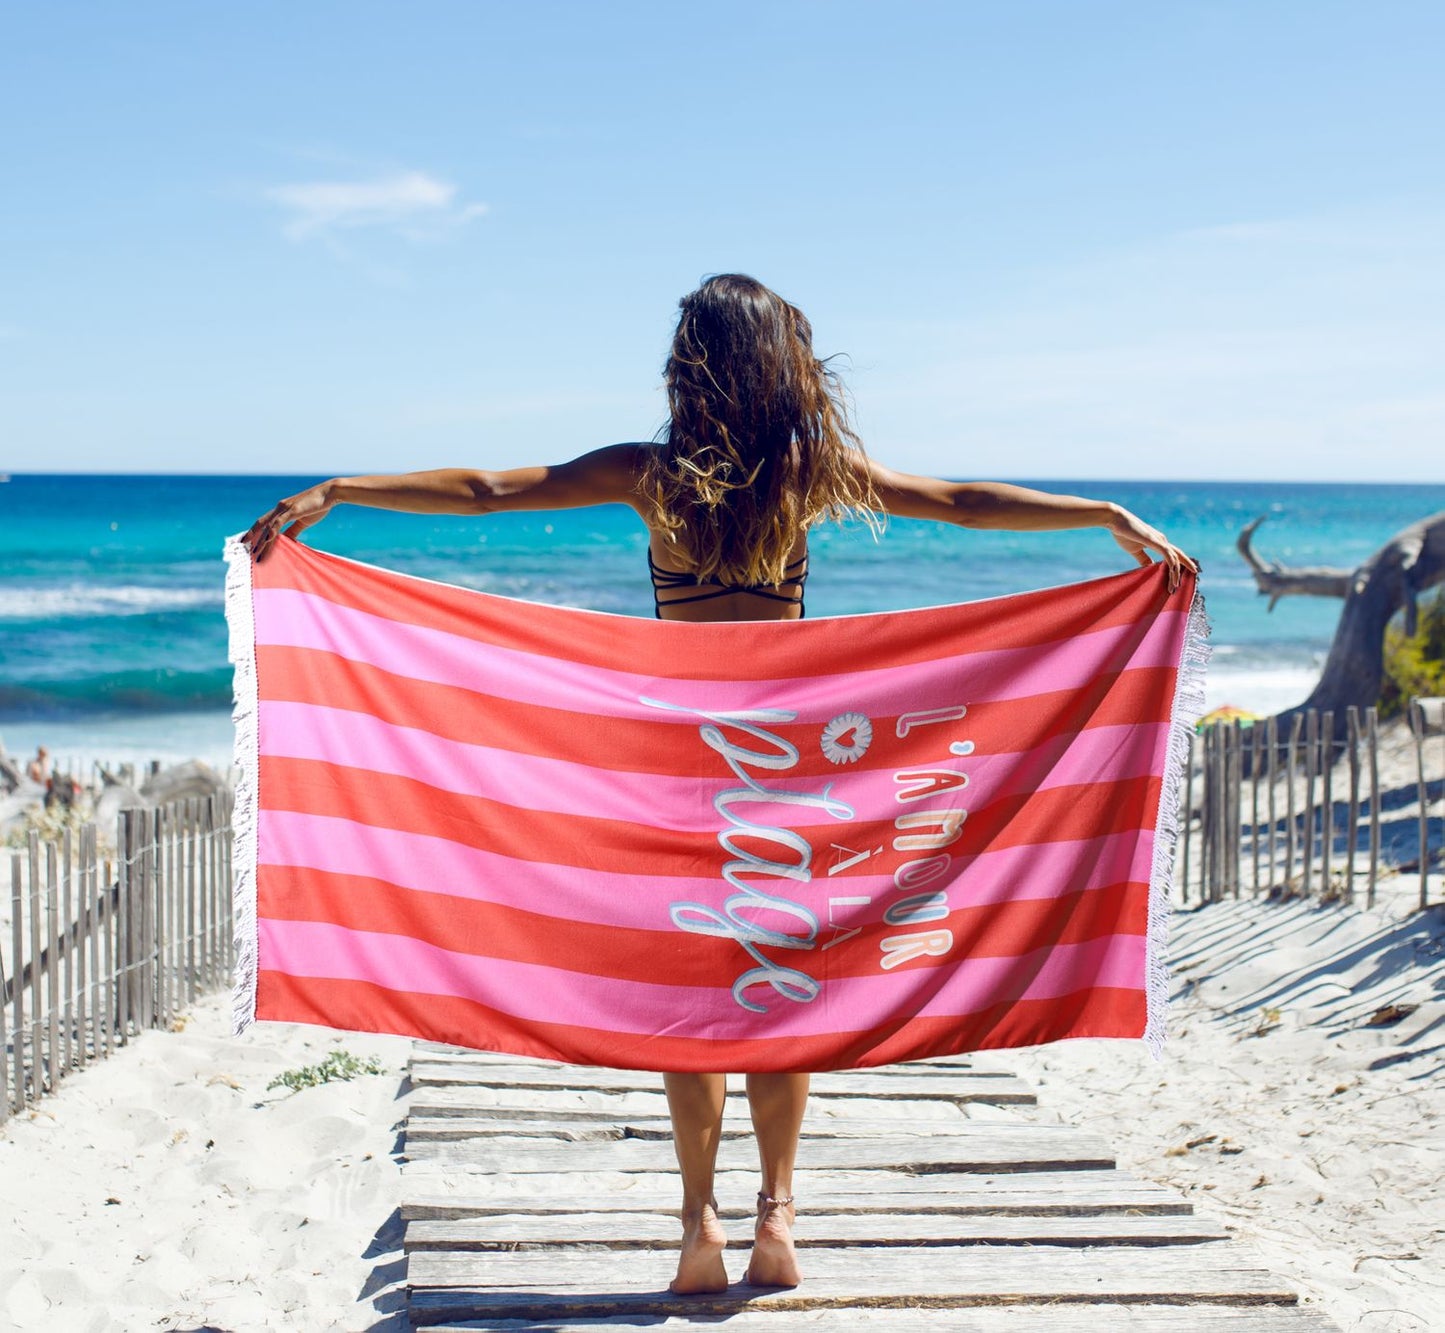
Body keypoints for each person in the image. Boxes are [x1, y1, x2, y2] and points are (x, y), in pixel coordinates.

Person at [242, 271, 1196, 1293]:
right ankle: (775, 1212)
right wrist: (1101, 516)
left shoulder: (649, 473)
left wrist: (343, 490)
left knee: (685, 992)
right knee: (778, 987)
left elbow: (488, 490)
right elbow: (960, 503)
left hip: (674, 766)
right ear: (782, 366)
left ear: (691, 363)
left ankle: (697, 1220)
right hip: (781, 766)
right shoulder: (808, 473)